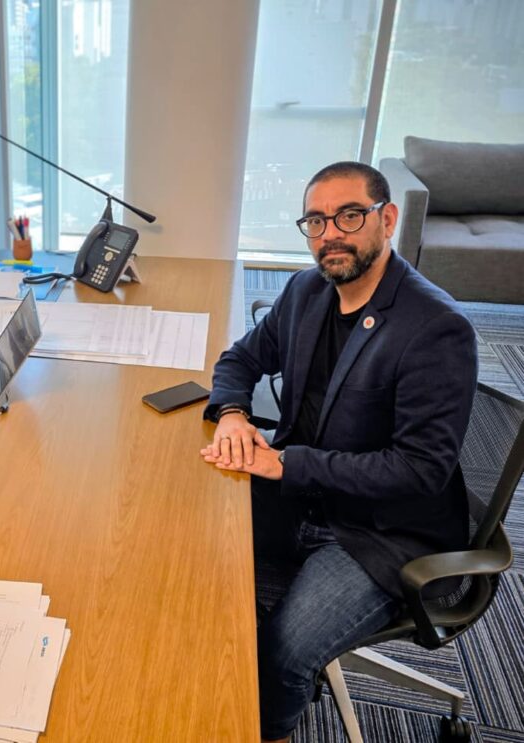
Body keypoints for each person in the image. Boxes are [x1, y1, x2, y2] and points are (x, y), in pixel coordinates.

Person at [199, 162, 477, 742]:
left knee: (281, 654)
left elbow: (420, 470)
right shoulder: (306, 291)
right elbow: (240, 360)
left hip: (379, 533)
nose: (330, 234)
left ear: (387, 219)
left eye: (350, 216)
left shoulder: (436, 328)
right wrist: (232, 415)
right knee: (186, 544)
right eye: (316, 221)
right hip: (300, 496)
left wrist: (286, 462)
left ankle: (266, 730)